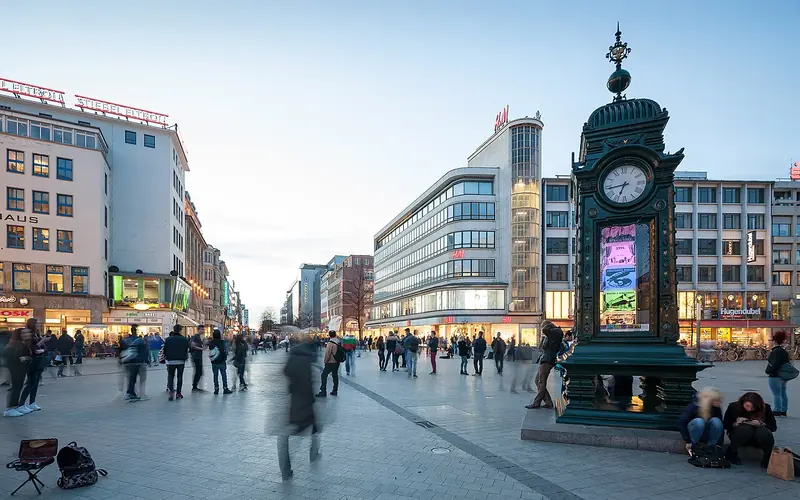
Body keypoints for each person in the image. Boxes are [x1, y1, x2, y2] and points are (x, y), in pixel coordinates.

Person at [278, 334, 321, 480]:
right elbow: (310, 382)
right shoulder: (309, 359)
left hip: (292, 400)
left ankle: (285, 470)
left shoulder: (293, 356)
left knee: (284, 436)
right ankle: (313, 454)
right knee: (314, 428)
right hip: (304, 401)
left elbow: (286, 372)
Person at [723, 392, 777, 467]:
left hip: (758, 438)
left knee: (761, 431)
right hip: (739, 436)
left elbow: (773, 427)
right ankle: (731, 452)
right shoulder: (733, 407)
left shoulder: (765, 408)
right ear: (743, 402)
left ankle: (767, 456)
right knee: (745, 428)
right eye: (747, 406)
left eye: (753, 407)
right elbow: (726, 425)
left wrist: (761, 424)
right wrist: (736, 423)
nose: (750, 409)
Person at [526, 322, 563, 409]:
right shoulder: (551, 334)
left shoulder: (556, 332)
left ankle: (536, 402)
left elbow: (545, 330)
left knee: (541, 381)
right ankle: (548, 402)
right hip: (545, 358)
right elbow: (542, 347)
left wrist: (546, 327)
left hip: (548, 360)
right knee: (538, 380)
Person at [677, 387, 724, 454]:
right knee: (699, 421)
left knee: (717, 421)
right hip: (694, 431)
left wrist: (719, 443)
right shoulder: (694, 406)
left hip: (707, 432)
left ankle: (711, 446)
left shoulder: (716, 408)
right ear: (709, 400)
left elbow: (720, 426)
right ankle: (694, 445)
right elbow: (681, 423)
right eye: (717, 400)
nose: (720, 402)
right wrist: (688, 441)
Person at [3, 325, 32, 417]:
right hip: (15, 369)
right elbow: (9, 357)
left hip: (21, 368)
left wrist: (27, 358)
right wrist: (21, 359)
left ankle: (15, 406)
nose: (27, 334)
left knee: (18, 387)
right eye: (24, 333)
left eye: (27, 332)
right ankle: (9, 408)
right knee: (15, 388)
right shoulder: (14, 344)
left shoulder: (24, 343)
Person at [18, 322, 47, 413]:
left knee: (35, 383)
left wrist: (42, 348)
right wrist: (40, 346)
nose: (39, 324)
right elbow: (33, 348)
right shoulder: (29, 335)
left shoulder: (37, 334)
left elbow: (43, 348)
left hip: (39, 360)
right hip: (33, 361)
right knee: (31, 383)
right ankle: (21, 404)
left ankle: (32, 402)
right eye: (37, 323)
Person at [765, 331, 791, 417]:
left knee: (776, 394)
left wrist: (768, 371)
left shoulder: (775, 351)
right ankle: (784, 409)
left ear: (775, 341)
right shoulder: (784, 352)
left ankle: (777, 409)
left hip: (775, 375)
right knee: (783, 393)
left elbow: (773, 364)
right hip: (783, 376)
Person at [120, 325, 148, 401]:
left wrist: (121, 361)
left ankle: (130, 393)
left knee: (131, 379)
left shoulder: (125, 340)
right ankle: (141, 394)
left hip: (128, 362)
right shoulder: (141, 340)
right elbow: (145, 351)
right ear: (136, 331)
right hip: (138, 362)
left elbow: (121, 350)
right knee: (142, 379)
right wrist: (146, 360)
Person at [164, 324, 189, 401]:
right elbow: (186, 349)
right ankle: (178, 393)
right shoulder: (184, 339)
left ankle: (171, 392)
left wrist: (167, 357)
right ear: (180, 330)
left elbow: (165, 350)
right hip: (181, 361)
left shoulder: (168, 339)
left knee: (171, 376)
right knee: (180, 377)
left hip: (170, 361)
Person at [316, 331, 342, 397]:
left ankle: (323, 391)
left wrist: (325, 361)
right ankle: (335, 390)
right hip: (337, 361)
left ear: (330, 335)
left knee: (324, 375)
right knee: (335, 376)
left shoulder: (330, 343)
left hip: (331, 362)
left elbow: (328, 353)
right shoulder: (338, 341)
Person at [208, 329, 232, 395]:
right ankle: (225, 388)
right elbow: (225, 351)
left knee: (215, 376)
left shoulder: (211, 343)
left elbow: (210, 352)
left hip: (214, 361)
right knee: (224, 375)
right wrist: (224, 358)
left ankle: (216, 389)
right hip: (221, 361)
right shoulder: (222, 342)